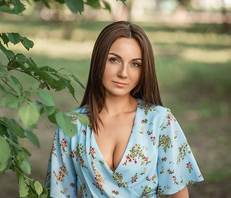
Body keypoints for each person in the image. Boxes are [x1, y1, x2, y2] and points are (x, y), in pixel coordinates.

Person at [44, 21, 203, 198]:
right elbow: (60, 193)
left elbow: (177, 195)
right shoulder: (71, 125)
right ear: (98, 60)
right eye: (114, 59)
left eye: (135, 64)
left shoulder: (160, 121)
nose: (123, 73)